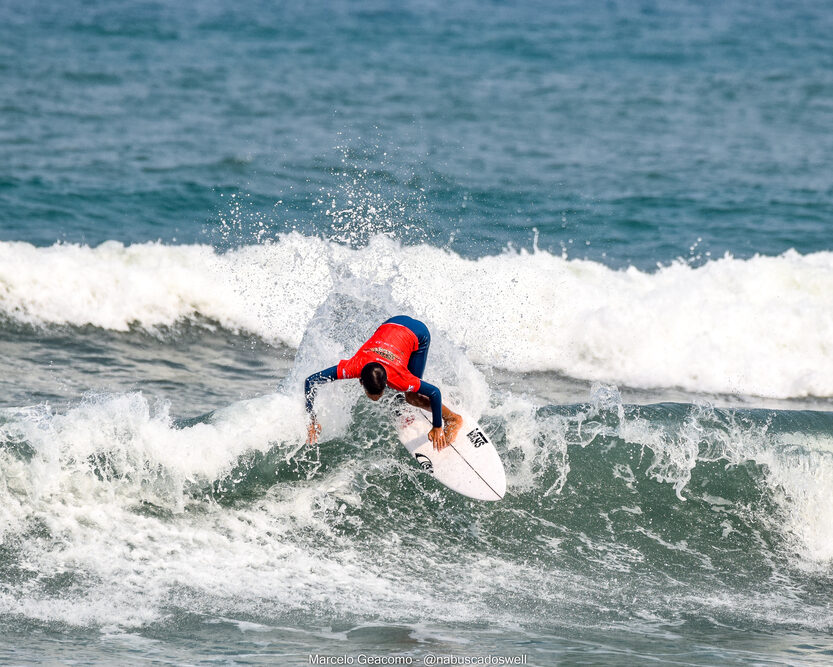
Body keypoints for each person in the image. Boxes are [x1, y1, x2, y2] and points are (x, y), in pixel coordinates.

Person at [304, 315, 462, 450]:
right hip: (391, 324)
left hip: (418, 332)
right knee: (405, 389)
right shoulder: (354, 366)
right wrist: (312, 419)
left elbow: (435, 393)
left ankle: (453, 418)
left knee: (413, 398)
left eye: (379, 393)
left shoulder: (399, 377)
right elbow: (310, 381)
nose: (377, 398)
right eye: (374, 393)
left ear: (387, 381)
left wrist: (437, 426)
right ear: (361, 381)